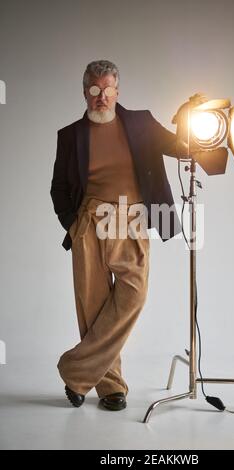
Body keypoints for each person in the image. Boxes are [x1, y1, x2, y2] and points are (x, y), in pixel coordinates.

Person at [50, 59, 187, 411]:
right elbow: (59, 187)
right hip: (89, 221)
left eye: (108, 90)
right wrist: (73, 223)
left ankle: (75, 371)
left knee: (132, 295)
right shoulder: (70, 135)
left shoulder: (141, 122)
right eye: (95, 90)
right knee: (94, 307)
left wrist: (194, 117)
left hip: (131, 218)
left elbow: (182, 147)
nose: (102, 97)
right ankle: (110, 387)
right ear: (85, 92)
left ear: (117, 91)